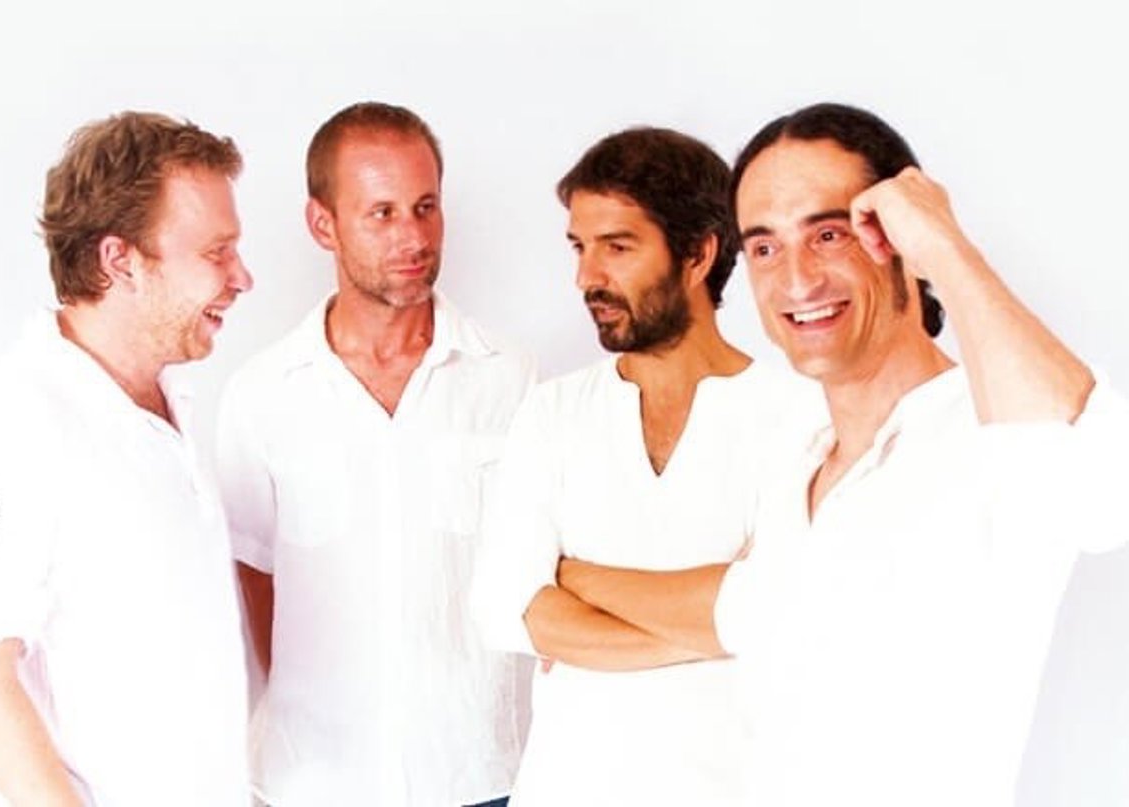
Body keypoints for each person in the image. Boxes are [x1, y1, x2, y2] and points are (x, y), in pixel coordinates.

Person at [554, 102, 1129, 805]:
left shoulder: (984, 432)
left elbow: (1099, 488)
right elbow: (746, 609)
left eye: (828, 234)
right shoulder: (800, 461)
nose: (796, 281)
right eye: (765, 247)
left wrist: (945, 245)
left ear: (899, 236)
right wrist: (567, 574)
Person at [470, 127, 819, 805]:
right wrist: (717, 625)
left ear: (698, 254)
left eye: (618, 246)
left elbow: (785, 611)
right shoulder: (553, 412)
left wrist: (575, 577)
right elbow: (504, 609)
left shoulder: (800, 418)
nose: (587, 277)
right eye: (579, 247)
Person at [216, 102, 536, 807]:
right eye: (382, 213)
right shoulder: (261, 394)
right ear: (322, 224)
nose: (413, 237)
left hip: (478, 775)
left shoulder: (510, 379)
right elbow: (253, 582)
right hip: (315, 782)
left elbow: (537, 569)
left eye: (426, 207)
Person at [0, 111, 254, 806]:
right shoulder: (15, 423)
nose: (242, 277)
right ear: (119, 260)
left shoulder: (169, 401)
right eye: (217, 252)